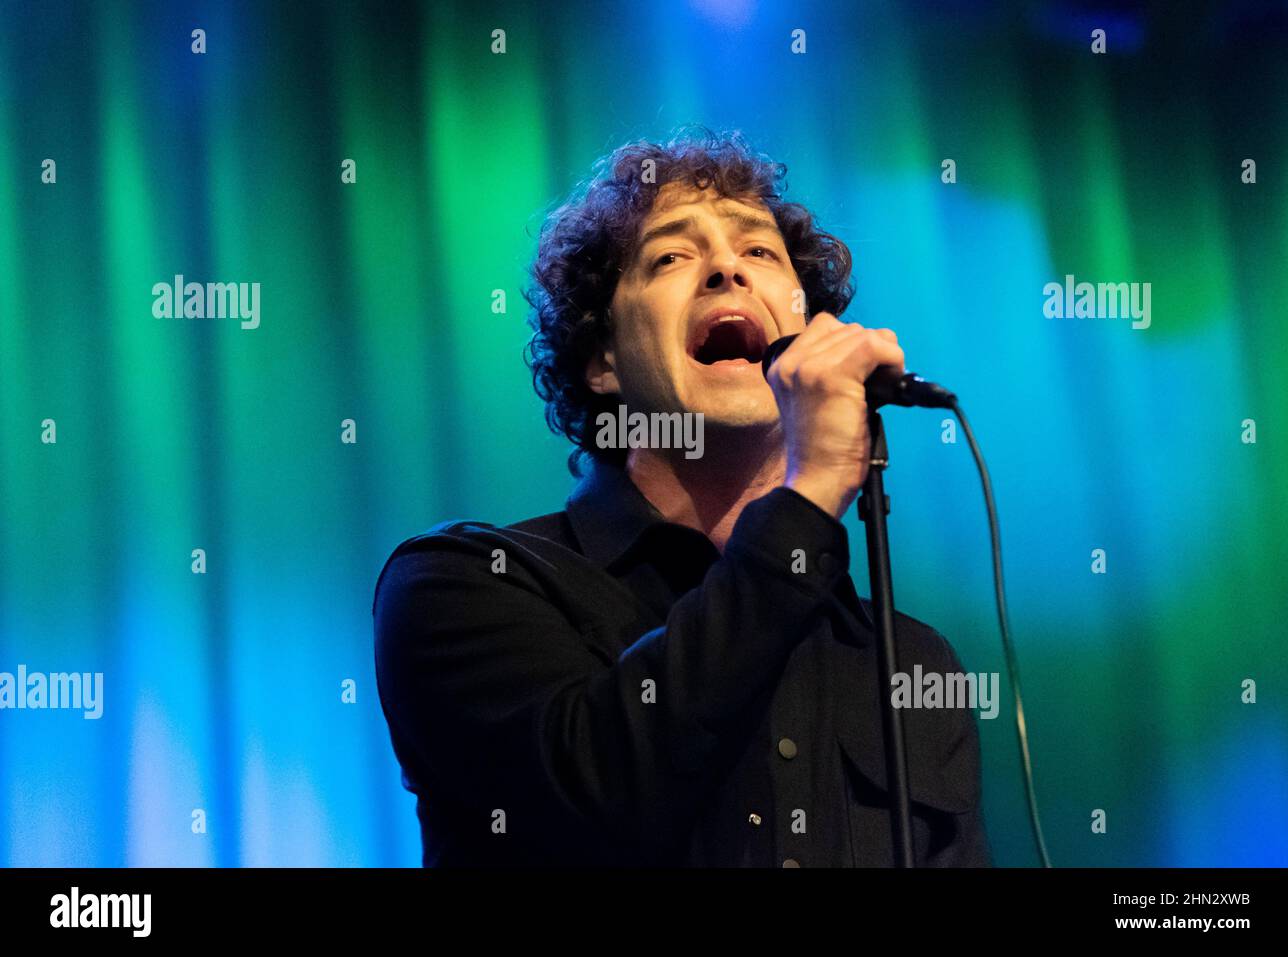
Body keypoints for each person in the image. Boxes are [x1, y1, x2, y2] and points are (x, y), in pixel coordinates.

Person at [373, 128, 993, 867]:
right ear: (603, 361)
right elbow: (598, 802)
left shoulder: (908, 659)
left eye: (760, 252)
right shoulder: (465, 585)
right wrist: (812, 488)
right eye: (672, 255)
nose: (728, 267)